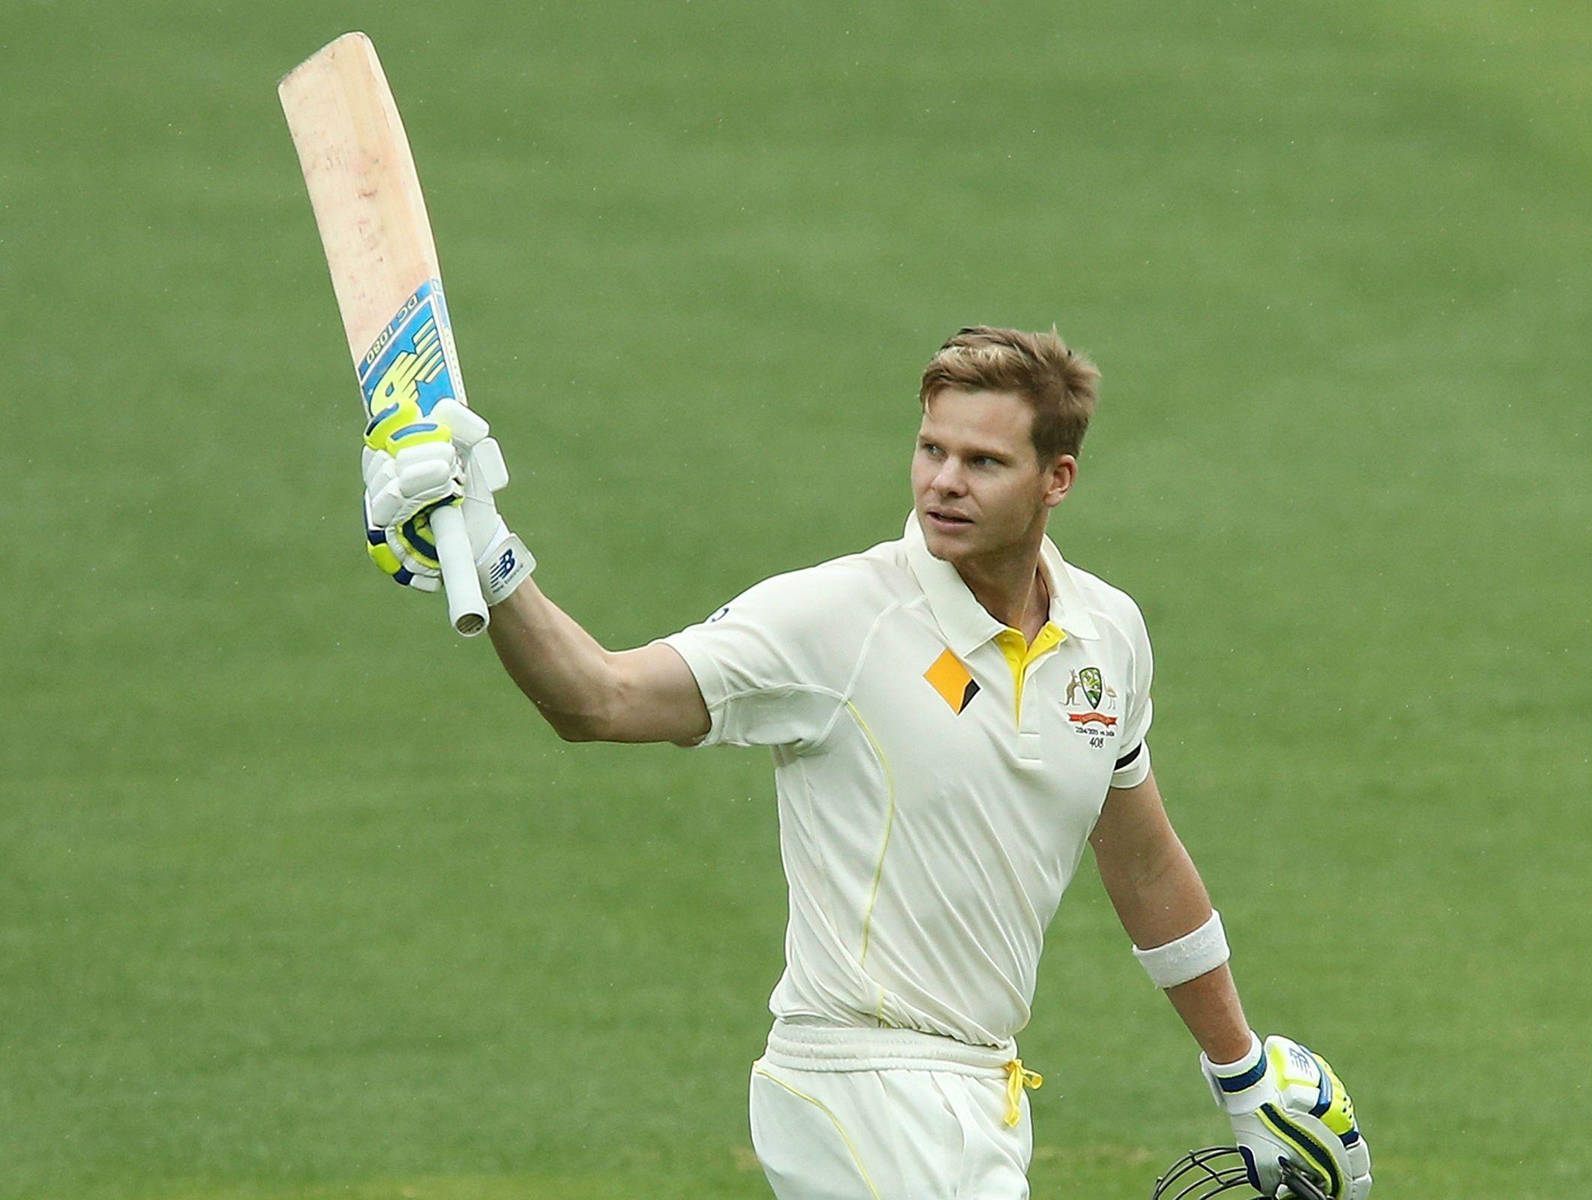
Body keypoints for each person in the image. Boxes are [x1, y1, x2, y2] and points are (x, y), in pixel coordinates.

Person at [359, 327, 1373, 1199]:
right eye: (931, 449)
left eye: (981, 461)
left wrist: (1239, 1067)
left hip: (986, 1088)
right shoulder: (837, 618)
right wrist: (490, 558)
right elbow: (600, 699)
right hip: (851, 1078)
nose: (942, 480)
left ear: (1056, 479)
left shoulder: (1108, 635)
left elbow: (1146, 865)